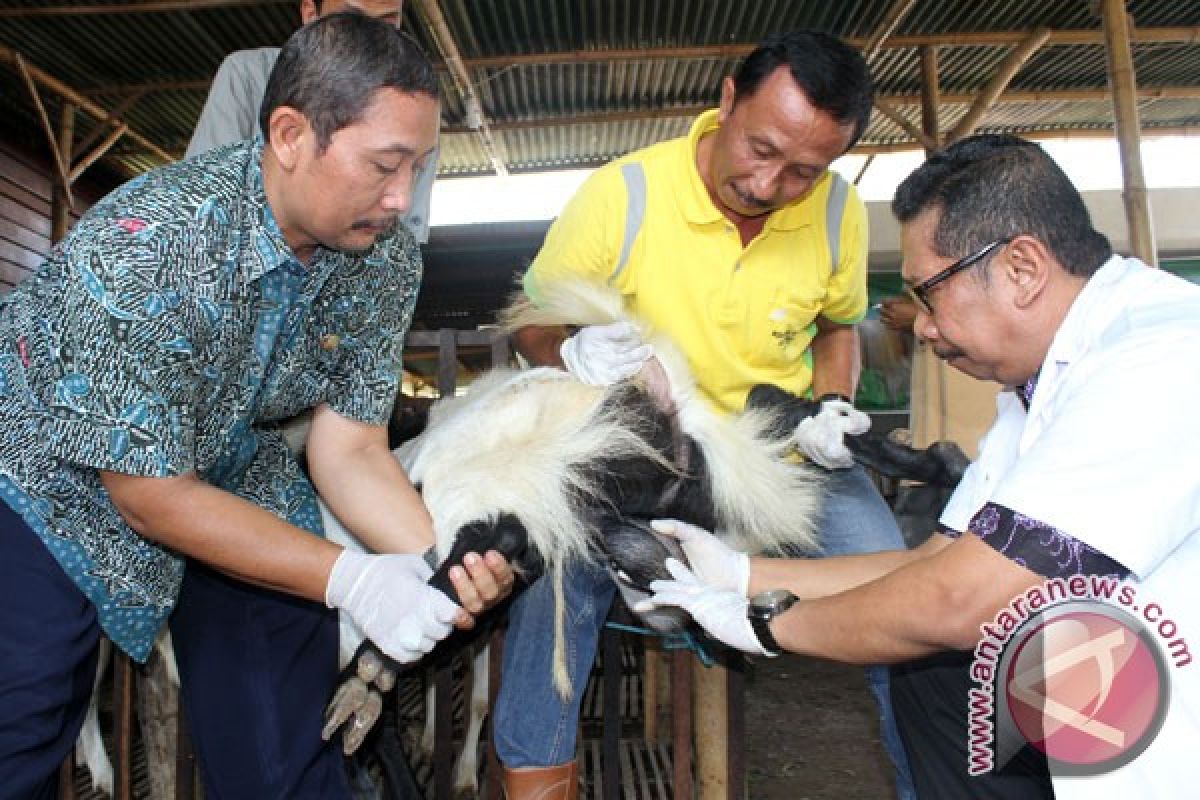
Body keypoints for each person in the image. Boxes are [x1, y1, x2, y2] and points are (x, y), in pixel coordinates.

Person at [0, 15, 512, 799]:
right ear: (290, 134)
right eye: (384, 164)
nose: (403, 196)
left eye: (419, 166)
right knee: (25, 717)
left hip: (227, 461)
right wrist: (353, 582)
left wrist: (439, 563)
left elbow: (349, 448)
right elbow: (148, 497)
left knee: (284, 733)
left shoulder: (381, 257)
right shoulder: (152, 243)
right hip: (40, 480)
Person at [639, 134, 1200, 798]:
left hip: (1161, 725)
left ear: (1021, 268)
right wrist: (739, 572)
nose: (922, 328)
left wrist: (767, 623)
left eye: (928, 294)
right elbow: (936, 562)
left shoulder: (1160, 356)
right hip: (1109, 685)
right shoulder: (1044, 382)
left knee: (944, 649)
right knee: (936, 678)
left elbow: (958, 599)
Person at [501, 31, 914, 799]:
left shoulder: (837, 212)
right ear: (726, 101)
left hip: (782, 452)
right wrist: (571, 351)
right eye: (761, 149)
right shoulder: (624, 195)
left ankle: (934, 782)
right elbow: (531, 323)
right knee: (557, 576)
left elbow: (835, 329)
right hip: (646, 448)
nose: (770, 184)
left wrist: (832, 408)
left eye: (804, 171)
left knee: (902, 590)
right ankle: (536, 781)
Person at [187, 0, 436, 244]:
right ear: (310, 15)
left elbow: (405, 236)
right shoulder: (247, 76)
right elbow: (201, 201)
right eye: (351, 22)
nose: (370, 38)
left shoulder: (415, 112)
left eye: (387, 24)